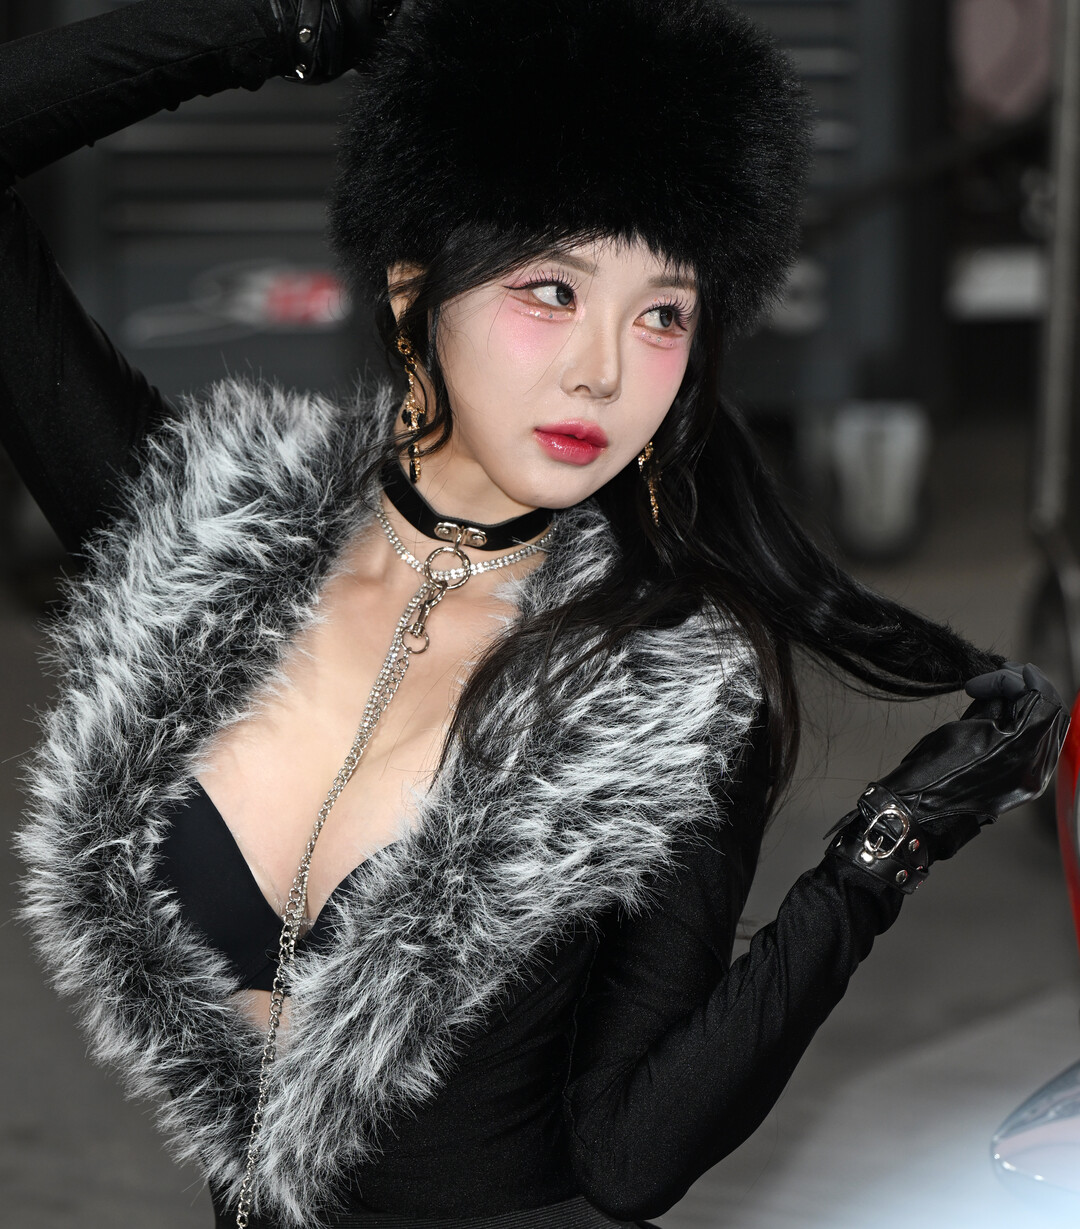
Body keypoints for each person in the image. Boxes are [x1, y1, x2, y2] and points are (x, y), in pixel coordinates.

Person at [3, 2, 1068, 1228]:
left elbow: (628, 1155)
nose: (605, 369)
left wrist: (883, 850)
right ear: (414, 297)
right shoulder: (208, 542)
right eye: (553, 289)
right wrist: (287, 24)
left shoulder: (666, 683)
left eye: (662, 313)